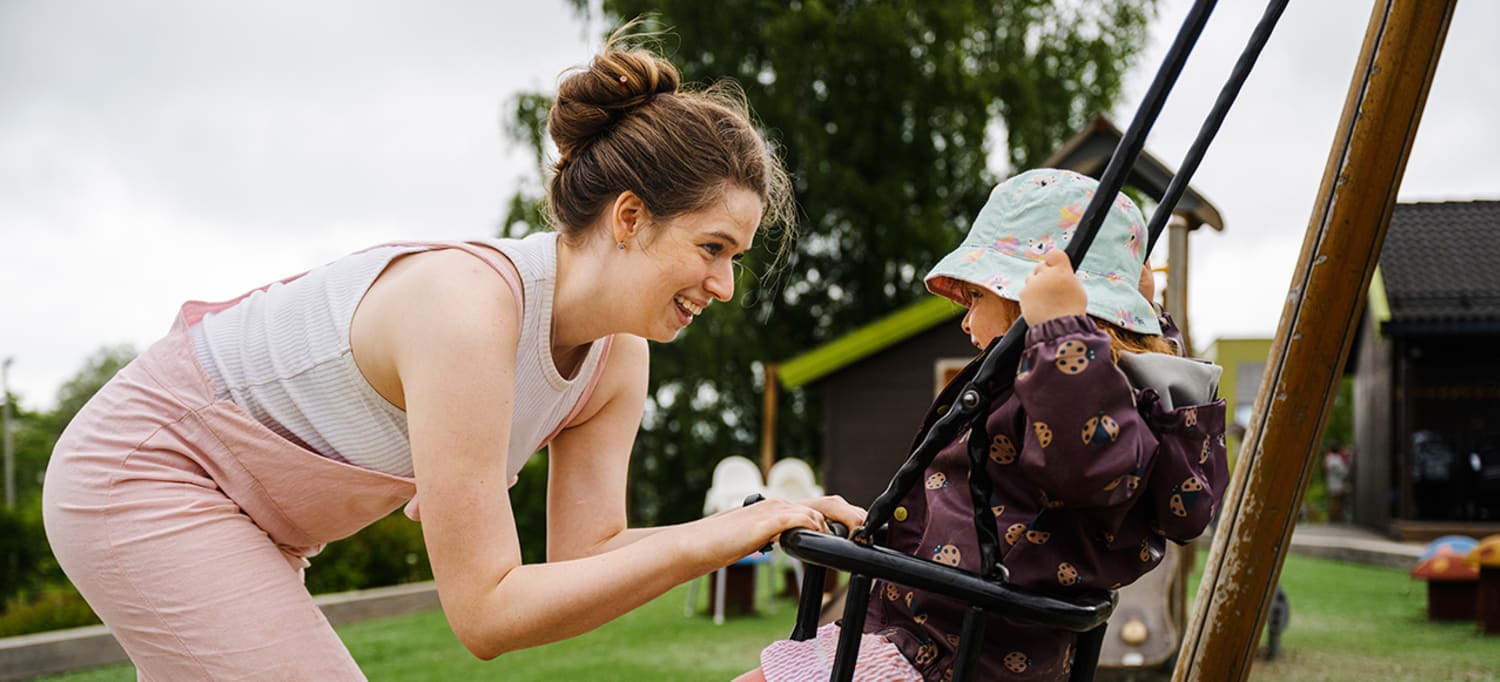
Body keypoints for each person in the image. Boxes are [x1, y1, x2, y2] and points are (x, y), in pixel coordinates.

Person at [41, 30, 864, 680]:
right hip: (145, 478)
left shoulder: (617, 362)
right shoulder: (470, 308)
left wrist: (751, 528)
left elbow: (587, 561)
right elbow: (486, 615)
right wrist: (729, 531)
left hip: (264, 528)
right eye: (712, 247)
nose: (724, 285)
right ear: (627, 219)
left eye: (737, 258)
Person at [740, 169, 1229, 681]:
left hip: (942, 655)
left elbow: (1097, 466)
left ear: (1026, 297)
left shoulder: (1063, 388)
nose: (965, 320)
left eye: (976, 297)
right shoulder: (1099, 392)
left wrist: (1061, 332)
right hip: (947, 643)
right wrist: (1144, 312)